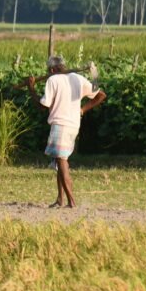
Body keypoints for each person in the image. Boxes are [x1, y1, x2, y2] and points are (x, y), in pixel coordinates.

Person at [27, 55, 107, 209]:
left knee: (62, 161)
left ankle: (72, 202)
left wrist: (31, 88)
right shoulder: (78, 78)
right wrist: (95, 74)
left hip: (60, 125)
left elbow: (43, 106)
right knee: (60, 159)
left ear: (51, 70)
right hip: (73, 126)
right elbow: (100, 93)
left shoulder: (53, 80)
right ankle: (59, 199)